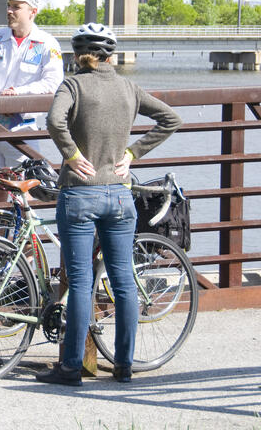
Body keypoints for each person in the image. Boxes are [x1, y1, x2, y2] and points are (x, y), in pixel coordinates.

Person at [36, 23, 181, 386]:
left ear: (76, 55)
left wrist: (70, 154)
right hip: (119, 194)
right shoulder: (128, 87)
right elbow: (171, 118)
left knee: (81, 282)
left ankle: (71, 367)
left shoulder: (73, 85)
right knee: (123, 281)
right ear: (111, 56)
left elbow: (54, 121)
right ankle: (124, 366)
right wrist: (133, 153)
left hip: (80, 195)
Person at [0, 0, 63, 204]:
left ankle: (23, 239)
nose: (10, 11)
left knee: (23, 196)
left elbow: (53, 83)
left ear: (33, 11)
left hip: (23, 130)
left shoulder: (47, 43)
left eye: (16, 7)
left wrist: (18, 96)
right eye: (9, 6)